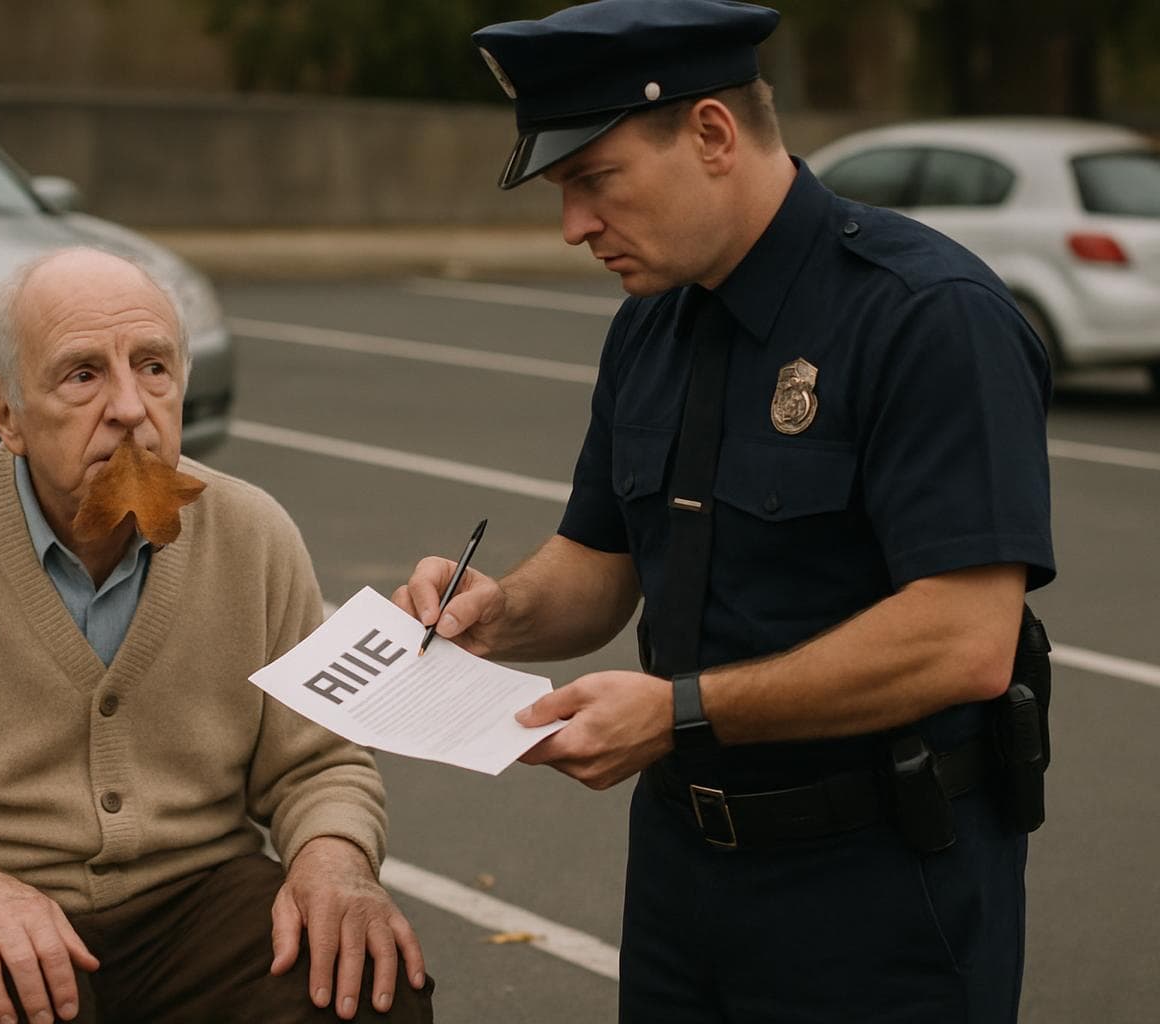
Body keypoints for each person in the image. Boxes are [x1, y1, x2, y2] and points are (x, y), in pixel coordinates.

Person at [393, 1, 1054, 1021]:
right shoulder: (652, 323)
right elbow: (600, 563)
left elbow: (964, 641)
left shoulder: (926, 316)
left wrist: (679, 712)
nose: (573, 226)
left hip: (879, 883)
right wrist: (497, 611)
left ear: (711, 134)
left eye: (594, 179)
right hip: (682, 874)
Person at [0, 247, 433, 1024]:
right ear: (5, 410)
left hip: (193, 900)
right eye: (83, 374)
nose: (129, 407)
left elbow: (318, 763)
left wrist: (334, 861)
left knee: (369, 990)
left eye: (153, 368)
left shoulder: (252, 532)